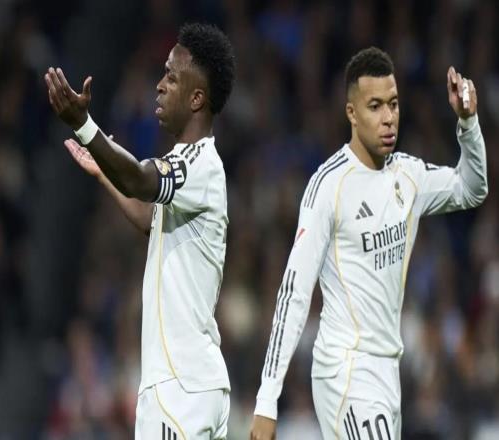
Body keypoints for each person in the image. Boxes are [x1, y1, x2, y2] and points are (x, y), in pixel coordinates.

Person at [250, 47, 488, 440]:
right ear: (352, 113)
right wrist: (266, 399)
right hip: (345, 369)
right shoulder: (328, 186)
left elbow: (472, 188)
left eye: (393, 104)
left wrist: (468, 122)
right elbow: (294, 292)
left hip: (387, 372)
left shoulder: (408, 176)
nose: (388, 117)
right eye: (375, 106)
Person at [44, 23, 235, 439]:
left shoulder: (198, 164)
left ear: (197, 98)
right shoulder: (197, 171)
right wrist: (103, 173)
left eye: (171, 77)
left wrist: (85, 126)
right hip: (195, 385)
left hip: (178, 387)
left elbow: (140, 178)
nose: (159, 85)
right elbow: (151, 217)